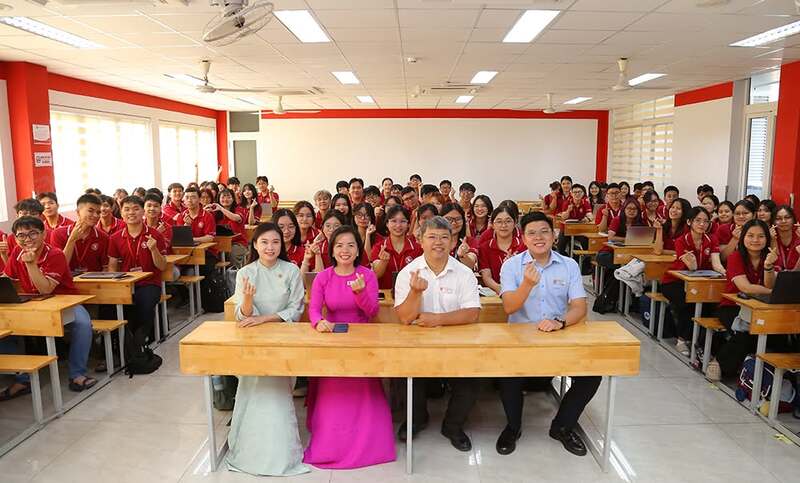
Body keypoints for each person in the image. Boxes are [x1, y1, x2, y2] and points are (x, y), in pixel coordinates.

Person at [495, 211, 598, 456]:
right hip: (520, 340)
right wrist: (527, 284)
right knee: (508, 376)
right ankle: (513, 427)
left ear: (554, 235)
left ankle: (562, 426)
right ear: (523, 238)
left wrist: (559, 323)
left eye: (544, 232)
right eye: (531, 233)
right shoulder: (511, 266)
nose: (538, 237)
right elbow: (509, 307)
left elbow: (579, 307)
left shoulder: (569, 265)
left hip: (556, 337)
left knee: (592, 374)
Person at [304, 226, 395, 468]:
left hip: (362, 342)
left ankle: (368, 442)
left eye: (351, 245)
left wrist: (360, 292)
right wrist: (318, 322)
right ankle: (331, 441)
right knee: (334, 393)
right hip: (334, 341)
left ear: (358, 250)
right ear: (332, 250)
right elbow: (314, 309)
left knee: (362, 390)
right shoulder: (324, 277)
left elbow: (372, 310)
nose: (345, 250)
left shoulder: (367, 275)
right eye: (339, 245)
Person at [226, 223, 309, 477]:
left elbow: (296, 308)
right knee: (252, 390)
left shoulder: (291, 270)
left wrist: (265, 318)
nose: (270, 247)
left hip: (283, 338)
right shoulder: (246, 273)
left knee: (277, 393)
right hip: (253, 341)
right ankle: (247, 448)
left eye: (275, 242)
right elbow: (242, 316)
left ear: (281, 245)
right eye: (264, 242)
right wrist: (248, 301)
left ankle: (282, 452)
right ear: (255, 245)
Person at [394, 216, 481, 451]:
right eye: (431, 237)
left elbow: (472, 313)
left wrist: (437, 320)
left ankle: (453, 426)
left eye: (444, 237)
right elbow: (405, 318)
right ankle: (416, 420)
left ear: (453, 242)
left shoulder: (464, 273)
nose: (438, 242)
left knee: (472, 377)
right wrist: (415, 293)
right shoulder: (408, 272)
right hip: (418, 345)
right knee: (404, 375)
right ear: (420, 240)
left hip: (456, 344)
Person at [0, 216, 97, 397]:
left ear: (43, 234)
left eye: (33, 234)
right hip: (33, 303)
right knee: (4, 327)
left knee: (83, 324)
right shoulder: (16, 253)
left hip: (65, 301)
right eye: (21, 235)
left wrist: (30, 264)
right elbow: (6, 280)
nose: (27, 239)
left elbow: (45, 289)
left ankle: (77, 374)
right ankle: (21, 380)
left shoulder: (55, 254)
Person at [713, 219, 778, 378]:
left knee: (777, 335)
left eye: (761, 236)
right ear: (743, 237)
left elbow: (769, 283)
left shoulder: (769, 256)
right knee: (746, 334)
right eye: (750, 235)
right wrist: (774, 292)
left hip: (761, 308)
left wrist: (768, 266)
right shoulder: (735, 257)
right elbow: (745, 287)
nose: (755, 240)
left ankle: (767, 373)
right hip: (732, 307)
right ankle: (719, 362)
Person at [660, 207, 726, 358]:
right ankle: (682, 339)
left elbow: (716, 263)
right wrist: (694, 265)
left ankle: (701, 342)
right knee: (689, 302)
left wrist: (724, 273)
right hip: (674, 282)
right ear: (689, 222)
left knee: (710, 305)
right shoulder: (681, 240)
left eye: (706, 221)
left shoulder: (712, 239)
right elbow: (691, 268)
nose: (702, 224)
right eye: (698, 220)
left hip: (700, 283)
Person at [108, 196, 167, 347]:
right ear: (121, 213)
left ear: (143, 212)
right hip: (126, 283)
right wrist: (115, 286)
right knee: (111, 308)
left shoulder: (155, 235)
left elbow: (162, 266)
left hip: (149, 283)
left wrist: (153, 249)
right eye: (127, 209)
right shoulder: (115, 238)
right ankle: (121, 346)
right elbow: (112, 266)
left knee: (144, 304)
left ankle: (139, 344)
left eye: (135, 209)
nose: (131, 213)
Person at [50, 194, 109, 274]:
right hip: (67, 280)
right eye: (90, 211)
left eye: (98, 212)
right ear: (78, 212)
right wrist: (72, 239)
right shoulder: (58, 233)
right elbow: (59, 267)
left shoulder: (103, 237)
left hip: (94, 280)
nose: (95, 215)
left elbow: (105, 267)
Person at [371, 205, 421, 290]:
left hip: (410, 295)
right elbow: (376, 275)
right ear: (387, 224)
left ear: (408, 224)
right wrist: (383, 262)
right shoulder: (379, 247)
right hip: (386, 296)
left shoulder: (418, 249)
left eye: (403, 221)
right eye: (393, 221)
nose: (398, 225)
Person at [479, 206, 524, 295]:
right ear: (492, 224)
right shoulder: (485, 247)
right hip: (496, 293)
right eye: (499, 221)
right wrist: (502, 291)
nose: (504, 225)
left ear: (515, 223)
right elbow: (487, 277)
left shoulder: (523, 245)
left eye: (508, 221)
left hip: (521, 292)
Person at [211, 189, 248, 268]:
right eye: (223, 197)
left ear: (233, 199)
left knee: (232, 253)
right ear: (218, 199)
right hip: (219, 243)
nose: (225, 199)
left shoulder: (239, 209)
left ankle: (234, 273)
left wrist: (221, 209)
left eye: (228, 197)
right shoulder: (215, 212)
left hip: (238, 243)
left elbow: (236, 218)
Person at [272, 209, 312, 273]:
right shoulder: (268, 251)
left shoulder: (303, 252)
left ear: (296, 228)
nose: (286, 231)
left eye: (291, 226)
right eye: (281, 227)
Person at [441, 203, 478, 270]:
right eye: (449, 219)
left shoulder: (470, 241)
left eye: (458, 219)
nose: (454, 223)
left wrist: (463, 256)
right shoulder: (433, 241)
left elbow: (471, 264)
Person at [772, 205, 800, 271]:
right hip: (775, 276)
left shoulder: (798, 235)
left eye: (787, 217)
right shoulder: (771, 236)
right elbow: (774, 263)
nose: (783, 221)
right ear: (774, 221)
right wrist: (772, 240)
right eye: (778, 218)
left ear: (793, 219)